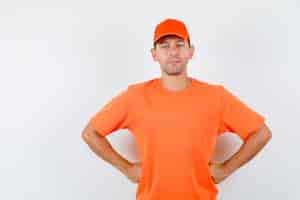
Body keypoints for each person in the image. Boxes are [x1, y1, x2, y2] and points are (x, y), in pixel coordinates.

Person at [81, 18, 272, 200]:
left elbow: (261, 133)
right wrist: (127, 168)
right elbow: (91, 133)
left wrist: (226, 169)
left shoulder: (216, 97)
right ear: (154, 54)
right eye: (164, 46)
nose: (173, 51)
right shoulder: (135, 97)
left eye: (179, 44)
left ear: (190, 51)